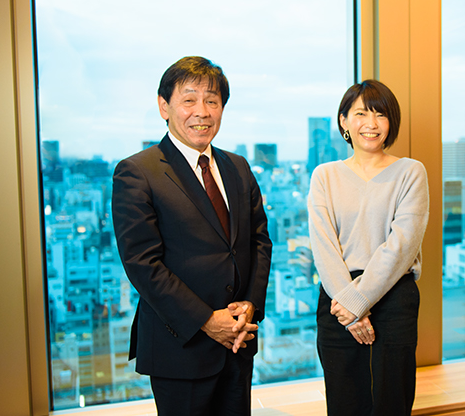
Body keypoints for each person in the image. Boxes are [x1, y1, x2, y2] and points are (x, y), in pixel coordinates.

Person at [112, 56, 272, 416]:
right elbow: (142, 263)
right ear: (164, 106)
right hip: (180, 347)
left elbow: (259, 241)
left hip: (238, 340)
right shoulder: (138, 171)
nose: (202, 111)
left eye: (212, 101)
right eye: (189, 100)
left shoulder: (238, 166)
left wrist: (250, 306)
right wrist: (206, 320)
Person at [307, 79, 430, 415]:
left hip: (393, 296)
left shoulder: (410, 172)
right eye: (361, 113)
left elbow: (402, 245)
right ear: (344, 120)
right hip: (337, 298)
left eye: (380, 114)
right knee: (344, 398)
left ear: (392, 122)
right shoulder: (325, 175)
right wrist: (348, 303)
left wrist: (359, 301)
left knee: (393, 399)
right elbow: (324, 245)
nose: (371, 124)